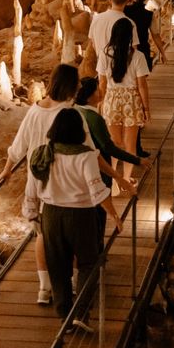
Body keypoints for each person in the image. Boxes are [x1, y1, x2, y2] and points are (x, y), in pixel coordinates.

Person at [26, 108, 122, 329]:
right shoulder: (86, 155)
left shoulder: (42, 153)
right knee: (89, 262)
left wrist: (32, 215)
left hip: (50, 215)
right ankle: (81, 312)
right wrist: (115, 215)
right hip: (81, 215)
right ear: (79, 130)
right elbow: (97, 190)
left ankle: (65, 316)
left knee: (57, 265)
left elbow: (32, 188)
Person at [0, 63, 81, 305]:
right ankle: (72, 282)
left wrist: (6, 171)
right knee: (69, 232)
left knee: (43, 233)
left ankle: (44, 289)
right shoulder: (69, 112)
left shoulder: (34, 111)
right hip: (65, 180)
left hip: (38, 178)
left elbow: (18, 145)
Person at [75, 77, 142, 246]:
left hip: (78, 172)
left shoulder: (75, 111)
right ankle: (98, 250)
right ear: (90, 95)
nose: (101, 92)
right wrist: (137, 160)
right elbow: (108, 147)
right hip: (98, 168)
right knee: (99, 213)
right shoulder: (94, 118)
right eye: (97, 89)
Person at [101, 18, 150, 184]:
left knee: (113, 144)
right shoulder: (138, 56)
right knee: (130, 146)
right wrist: (146, 109)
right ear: (130, 36)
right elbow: (142, 86)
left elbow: (102, 83)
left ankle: (114, 181)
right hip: (131, 100)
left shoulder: (105, 54)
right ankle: (126, 179)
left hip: (111, 98)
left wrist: (101, 104)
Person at [124, 0, 167, 157]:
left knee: (131, 89)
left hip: (126, 54)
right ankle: (137, 137)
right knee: (138, 90)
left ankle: (132, 134)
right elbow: (155, 35)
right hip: (141, 53)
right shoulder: (149, 14)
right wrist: (162, 52)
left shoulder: (125, 11)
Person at [87, 0, 139, 81]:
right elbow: (134, 49)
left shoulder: (96, 19)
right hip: (123, 72)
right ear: (127, 1)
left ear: (110, 0)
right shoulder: (129, 23)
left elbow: (93, 43)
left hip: (102, 68)